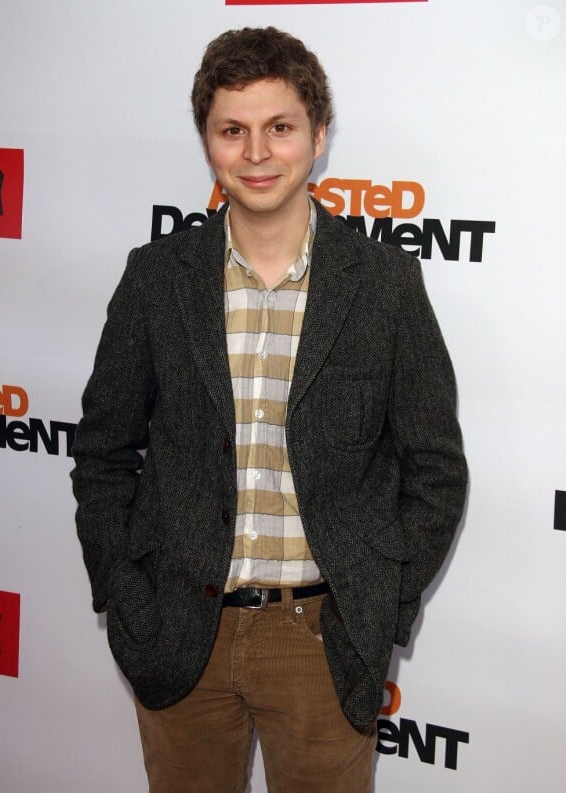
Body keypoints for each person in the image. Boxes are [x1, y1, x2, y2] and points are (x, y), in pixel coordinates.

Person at [71, 26, 467, 793]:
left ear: (317, 137)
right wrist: (124, 593)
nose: (257, 153)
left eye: (279, 127)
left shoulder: (385, 286)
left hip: (322, 641)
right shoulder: (156, 278)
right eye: (233, 130)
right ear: (209, 143)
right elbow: (103, 451)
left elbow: (436, 470)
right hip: (180, 631)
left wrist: (377, 608)